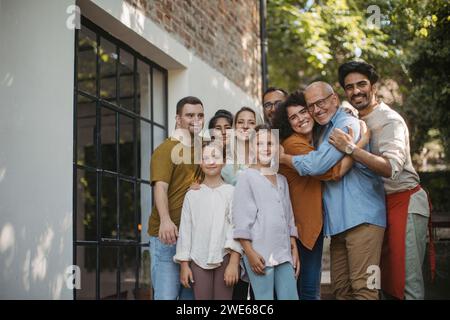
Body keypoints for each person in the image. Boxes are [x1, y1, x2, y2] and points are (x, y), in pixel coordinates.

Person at [329, 61, 432, 300]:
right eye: (350, 87)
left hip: (403, 202)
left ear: (374, 86)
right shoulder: (352, 118)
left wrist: (351, 148)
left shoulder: (390, 120)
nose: (356, 91)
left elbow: (390, 168)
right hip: (375, 208)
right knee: (380, 282)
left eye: (362, 84)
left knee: (406, 284)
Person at [279, 81, 386, 300]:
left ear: (334, 100)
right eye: (312, 106)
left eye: (320, 103)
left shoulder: (346, 124)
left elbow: (320, 167)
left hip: (362, 218)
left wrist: (285, 159)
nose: (316, 110)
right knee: (341, 291)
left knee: (364, 289)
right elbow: (328, 169)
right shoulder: (322, 131)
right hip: (338, 225)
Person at [233, 124, 300, 300]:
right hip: (259, 253)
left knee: (290, 296)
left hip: (283, 252)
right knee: (264, 300)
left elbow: (289, 216)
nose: (265, 148)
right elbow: (240, 220)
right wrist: (250, 253)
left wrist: (293, 246)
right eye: (260, 143)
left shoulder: (282, 180)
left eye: (270, 143)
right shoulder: (246, 177)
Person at [147, 96, 204, 300]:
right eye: (190, 115)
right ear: (178, 119)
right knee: (167, 297)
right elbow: (160, 188)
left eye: (200, 115)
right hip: (167, 237)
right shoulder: (166, 150)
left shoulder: (202, 150)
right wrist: (165, 220)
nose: (196, 119)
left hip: (193, 240)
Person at [174, 142, 242, 300]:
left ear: (224, 161)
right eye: (205, 157)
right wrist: (184, 264)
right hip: (198, 257)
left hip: (225, 256)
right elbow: (185, 230)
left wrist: (233, 262)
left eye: (215, 157)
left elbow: (236, 227)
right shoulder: (192, 195)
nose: (210, 161)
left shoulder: (231, 192)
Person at [221, 107, 258, 186]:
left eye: (251, 123)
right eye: (240, 122)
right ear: (234, 127)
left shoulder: (265, 157)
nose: (245, 126)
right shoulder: (225, 161)